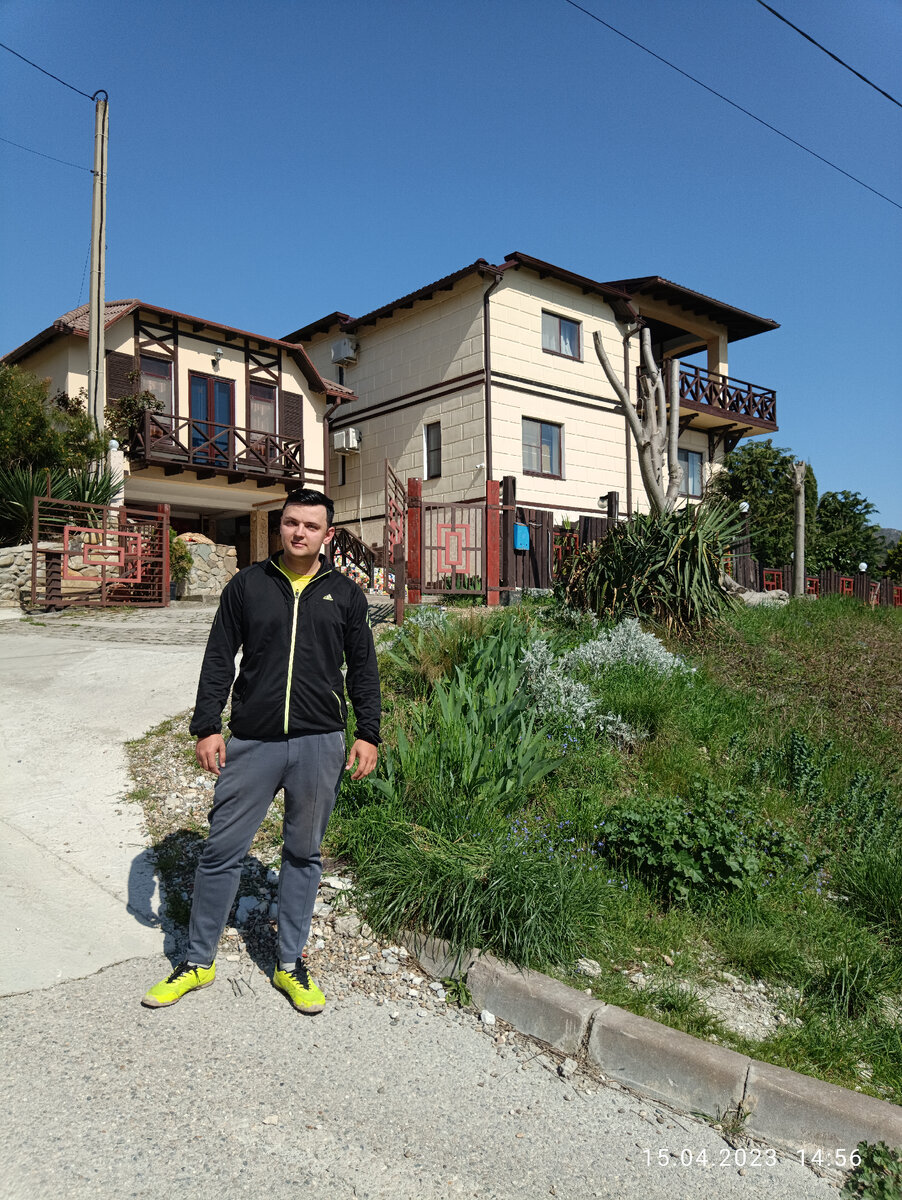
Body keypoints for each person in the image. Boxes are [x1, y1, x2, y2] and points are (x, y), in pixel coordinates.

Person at [142, 489, 380, 1014]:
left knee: (303, 854)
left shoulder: (345, 595)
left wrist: (369, 733)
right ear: (280, 526)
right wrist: (207, 726)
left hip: (319, 743)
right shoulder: (247, 585)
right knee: (221, 850)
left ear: (327, 535)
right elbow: (219, 657)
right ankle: (197, 960)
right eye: (291, 523)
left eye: (311, 526)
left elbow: (364, 668)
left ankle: (289, 962)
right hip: (252, 742)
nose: (299, 533)